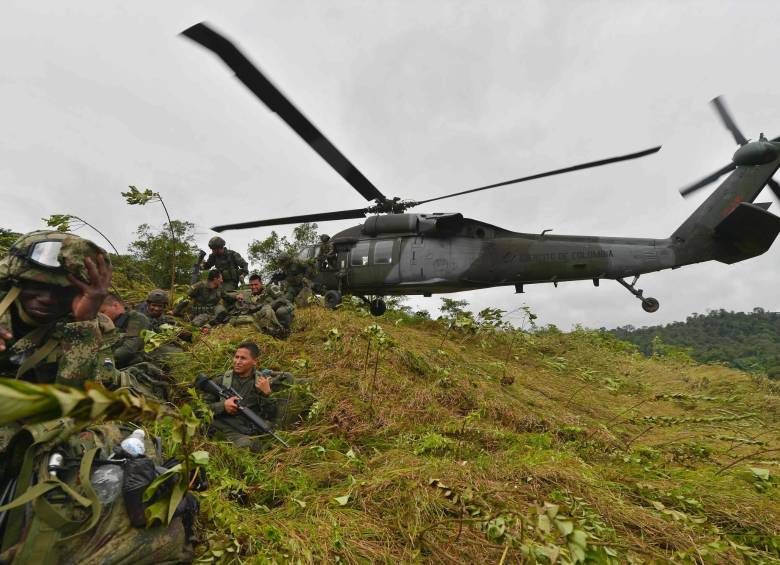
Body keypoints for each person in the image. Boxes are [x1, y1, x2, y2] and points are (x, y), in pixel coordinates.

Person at [0, 230, 116, 388]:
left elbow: (85, 403)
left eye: (65, 291)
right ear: (17, 283)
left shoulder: (97, 327)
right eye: (38, 286)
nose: (48, 299)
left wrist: (83, 325)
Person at [99, 292, 150, 369]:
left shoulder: (135, 319)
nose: (100, 317)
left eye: (103, 312)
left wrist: (102, 362)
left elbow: (129, 348)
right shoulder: (109, 322)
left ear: (115, 305)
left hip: (133, 367)